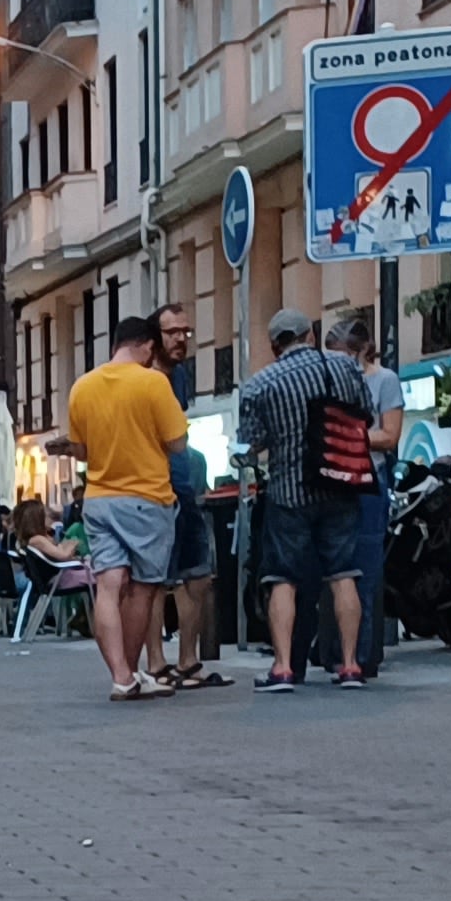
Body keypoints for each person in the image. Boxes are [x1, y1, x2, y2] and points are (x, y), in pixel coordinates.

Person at [232, 308, 383, 690]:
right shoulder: (345, 368)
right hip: (340, 482)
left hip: (289, 491)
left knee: (282, 578)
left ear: (273, 345)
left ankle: (282, 668)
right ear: (310, 336)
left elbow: (253, 442)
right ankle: (350, 665)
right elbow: (364, 414)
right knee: (343, 574)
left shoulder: (260, 384)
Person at [64, 314, 188, 704]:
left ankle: (121, 675)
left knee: (108, 584)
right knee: (144, 589)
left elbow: (80, 450)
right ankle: (129, 671)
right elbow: (178, 443)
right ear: (148, 346)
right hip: (147, 498)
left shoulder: (82, 387)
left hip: (98, 498)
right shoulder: (154, 383)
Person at [148, 300, 227, 687]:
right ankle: (157, 663)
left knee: (197, 576)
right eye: (173, 332)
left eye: (186, 332)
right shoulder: (146, 379)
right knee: (158, 581)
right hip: (156, 488)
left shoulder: (179, 376)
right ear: (155, 336)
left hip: (185, 486)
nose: (181, 339)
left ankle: (187, 661)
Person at [333, 308, 401, 670]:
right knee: (337, 565)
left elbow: (390, 436)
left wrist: (346, 437)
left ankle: (364, 653)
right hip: (335, 479)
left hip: (369, 479)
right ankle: (335, 650)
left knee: (366, 566)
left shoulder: (384, 380)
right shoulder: (330, 379)